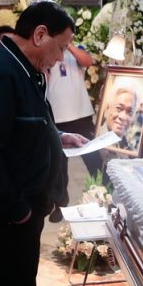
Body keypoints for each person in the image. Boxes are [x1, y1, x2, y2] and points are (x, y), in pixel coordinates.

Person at [0, 0, 88, 286]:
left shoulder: (26, 68)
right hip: (10, 216)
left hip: (25, 209)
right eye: (60, 48)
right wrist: (18, 210)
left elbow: (22, 123)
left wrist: (58, 136)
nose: (59, 59)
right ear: (40, 34)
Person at [46, 42, 100, 222]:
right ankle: (60, 205)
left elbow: (87, 62)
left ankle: (105, 193)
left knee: (94, 158)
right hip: (56, 115)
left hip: (81, 114)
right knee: (59, 166)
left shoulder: (78, 48)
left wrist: (67, 45)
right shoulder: (47, 51)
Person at [99, 84, 137, 151]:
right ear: (107, 109)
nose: (123, 117)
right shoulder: (93, 139)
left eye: (130, 112)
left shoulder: (129, 149)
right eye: (119, 108)